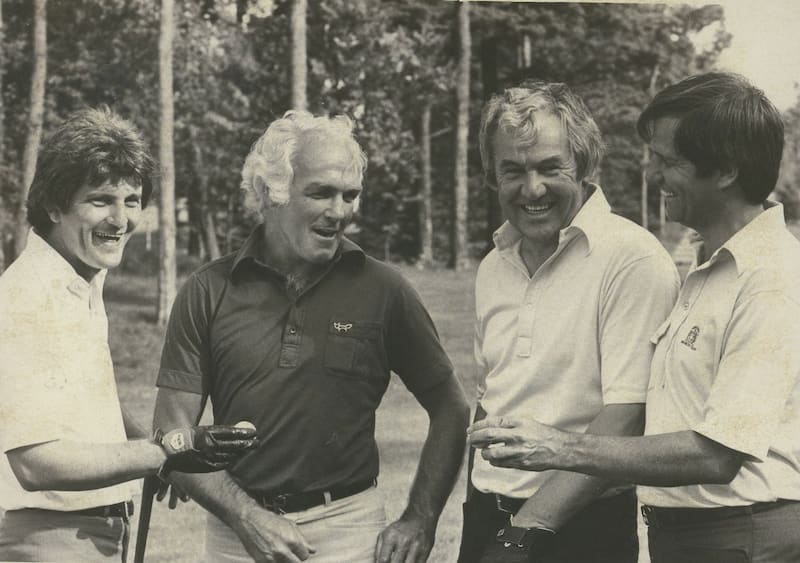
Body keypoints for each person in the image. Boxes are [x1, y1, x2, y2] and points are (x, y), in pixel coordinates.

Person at [469, 71, 800, 562]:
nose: (651, 176)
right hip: (694, 536)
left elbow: (717, 453)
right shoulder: (711, 267)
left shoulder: (769, 277)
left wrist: (557, 450)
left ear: (726, 170)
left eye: (667, 161)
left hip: (742, 536)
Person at [152, 110, 470, 563]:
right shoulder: (208, 290)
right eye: (320, 193)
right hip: (236, 534)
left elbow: (451, 406)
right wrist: (244, 516)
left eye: (349, 195)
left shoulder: (385, 289)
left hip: (351, 532)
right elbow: (171, 429)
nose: (338, 212)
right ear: (270, 192)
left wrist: (421, 517)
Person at [0, 108, 258, 562]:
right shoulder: (28, 298)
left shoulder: (78, 278)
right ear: (54, 204)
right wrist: (167, 450)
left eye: (133, 200)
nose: (121, 220)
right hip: (47, 535)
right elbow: (36, 462)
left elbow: (81, 401)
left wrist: (159, 452)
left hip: (88, 529)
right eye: (101, 200)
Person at [457, 81, 679, 563]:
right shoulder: (493, 263)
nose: (531, 189)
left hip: (578, 529)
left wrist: (524, 532)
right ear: (491, 176)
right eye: (512, 170)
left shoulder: (632, 259)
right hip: (489, 518)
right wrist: (477, 512)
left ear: (583, 164)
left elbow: (627, 416)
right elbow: (487, 400)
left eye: (549, 168)